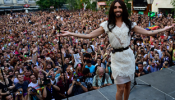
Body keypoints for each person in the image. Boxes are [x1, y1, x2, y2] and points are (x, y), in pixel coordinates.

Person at [58, 0, 174, 100]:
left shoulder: (129, 24)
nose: (117, 9)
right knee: (120, 87)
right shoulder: (107, 25)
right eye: (115, 7)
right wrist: (70, 33)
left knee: (128, 85)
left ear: (123, 9)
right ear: (112, 10)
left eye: (120, 7)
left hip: (128, 56)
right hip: (116, 58)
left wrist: (164, 29)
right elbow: (89, 35)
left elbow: (148, 32)